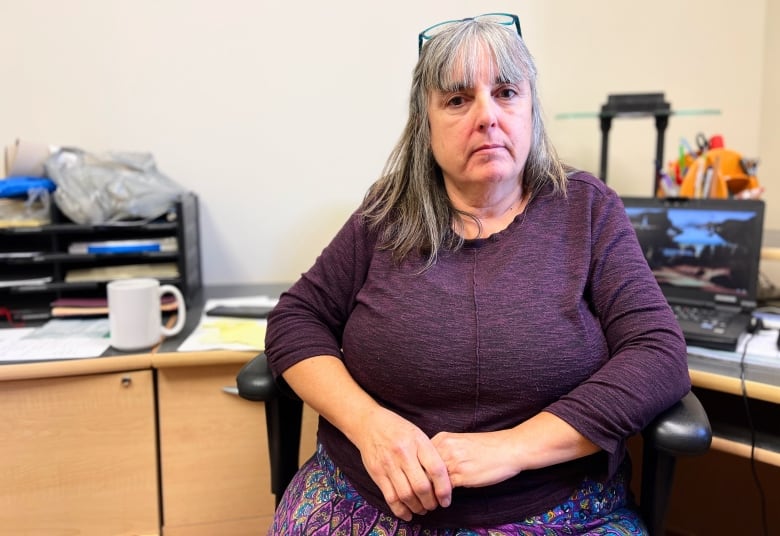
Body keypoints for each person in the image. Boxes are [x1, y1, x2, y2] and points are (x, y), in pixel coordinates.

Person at [264, 12, 691, 536]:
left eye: (507, 92)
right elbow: (296, 319)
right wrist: (369, 425)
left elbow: (658, 352)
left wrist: (514, 447)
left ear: (531, 110)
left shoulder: (587, 210)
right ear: (425, 124)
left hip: (557, 513)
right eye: (457, 99)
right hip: (360, 503)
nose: (487, 116)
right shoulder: (386, 211)